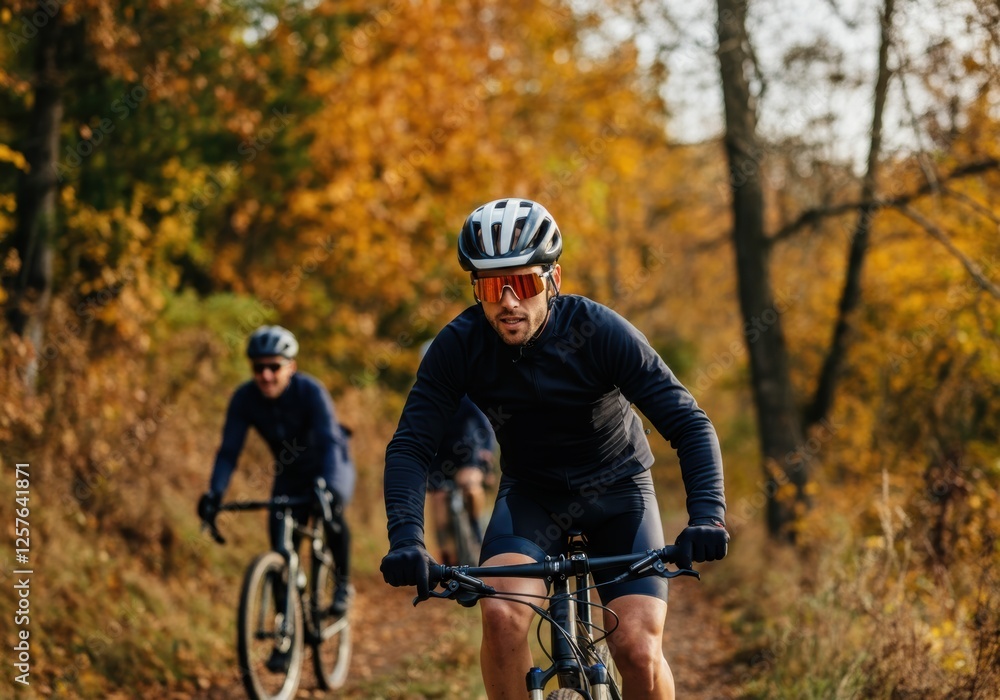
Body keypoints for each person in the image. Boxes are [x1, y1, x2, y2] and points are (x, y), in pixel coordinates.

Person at [380, 198, 729, 699]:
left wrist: (708, 517)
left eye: (522, 283)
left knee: (636, 648)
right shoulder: (459, 345)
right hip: (532, 495)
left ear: (553, 279)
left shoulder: (600, 332)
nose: (507, 302)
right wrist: (406, 540)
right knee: (500, 617)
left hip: (618, 491)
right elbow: (411, 446)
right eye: (490, 287)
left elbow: (689, 423)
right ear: (476, 290)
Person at [197, 325, 356, 672]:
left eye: (274, 367)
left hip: (330, 464)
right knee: (282, 549)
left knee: (333, 514)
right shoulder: (245, 399)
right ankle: (287, 634)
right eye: (258, 368)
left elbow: (329, 441)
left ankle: (343, 586)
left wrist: (329, 487)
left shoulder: (310, 391)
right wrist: (215, 493)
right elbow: (228, 452)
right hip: (290, 474)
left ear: (291, 367)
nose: (266, 375)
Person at [422, 337, 496, 564]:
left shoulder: (467, 391)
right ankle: (445, 552)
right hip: (439, 456)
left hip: (468, 453)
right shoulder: (424, 395)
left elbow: (485, 423)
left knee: (469, 486)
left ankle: (476, 529)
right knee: (438, 501)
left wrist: (487, 451)